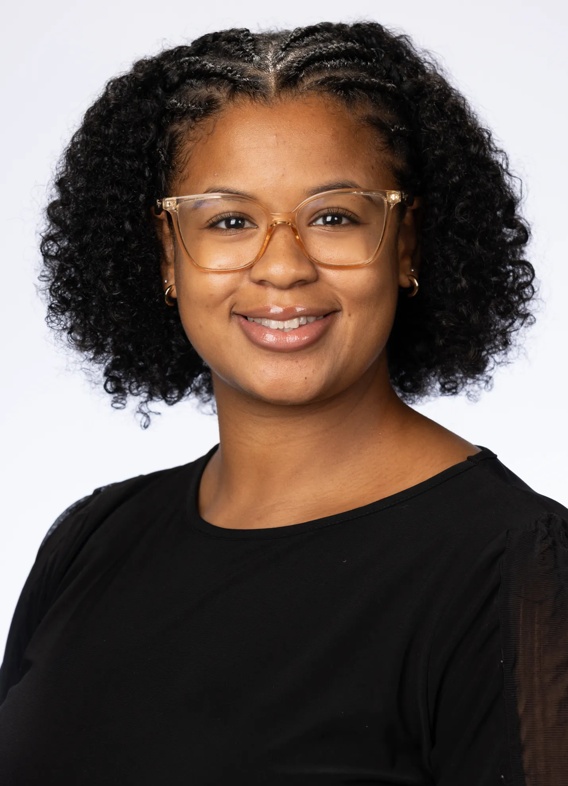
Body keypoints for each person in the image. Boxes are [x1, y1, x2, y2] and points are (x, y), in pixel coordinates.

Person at [0, 20, 566, 786]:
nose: (282, 266)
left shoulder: (515, 567)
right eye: (228, 221)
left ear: (405, 245)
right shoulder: (90, 542)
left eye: (334, 216)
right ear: (168, 255)